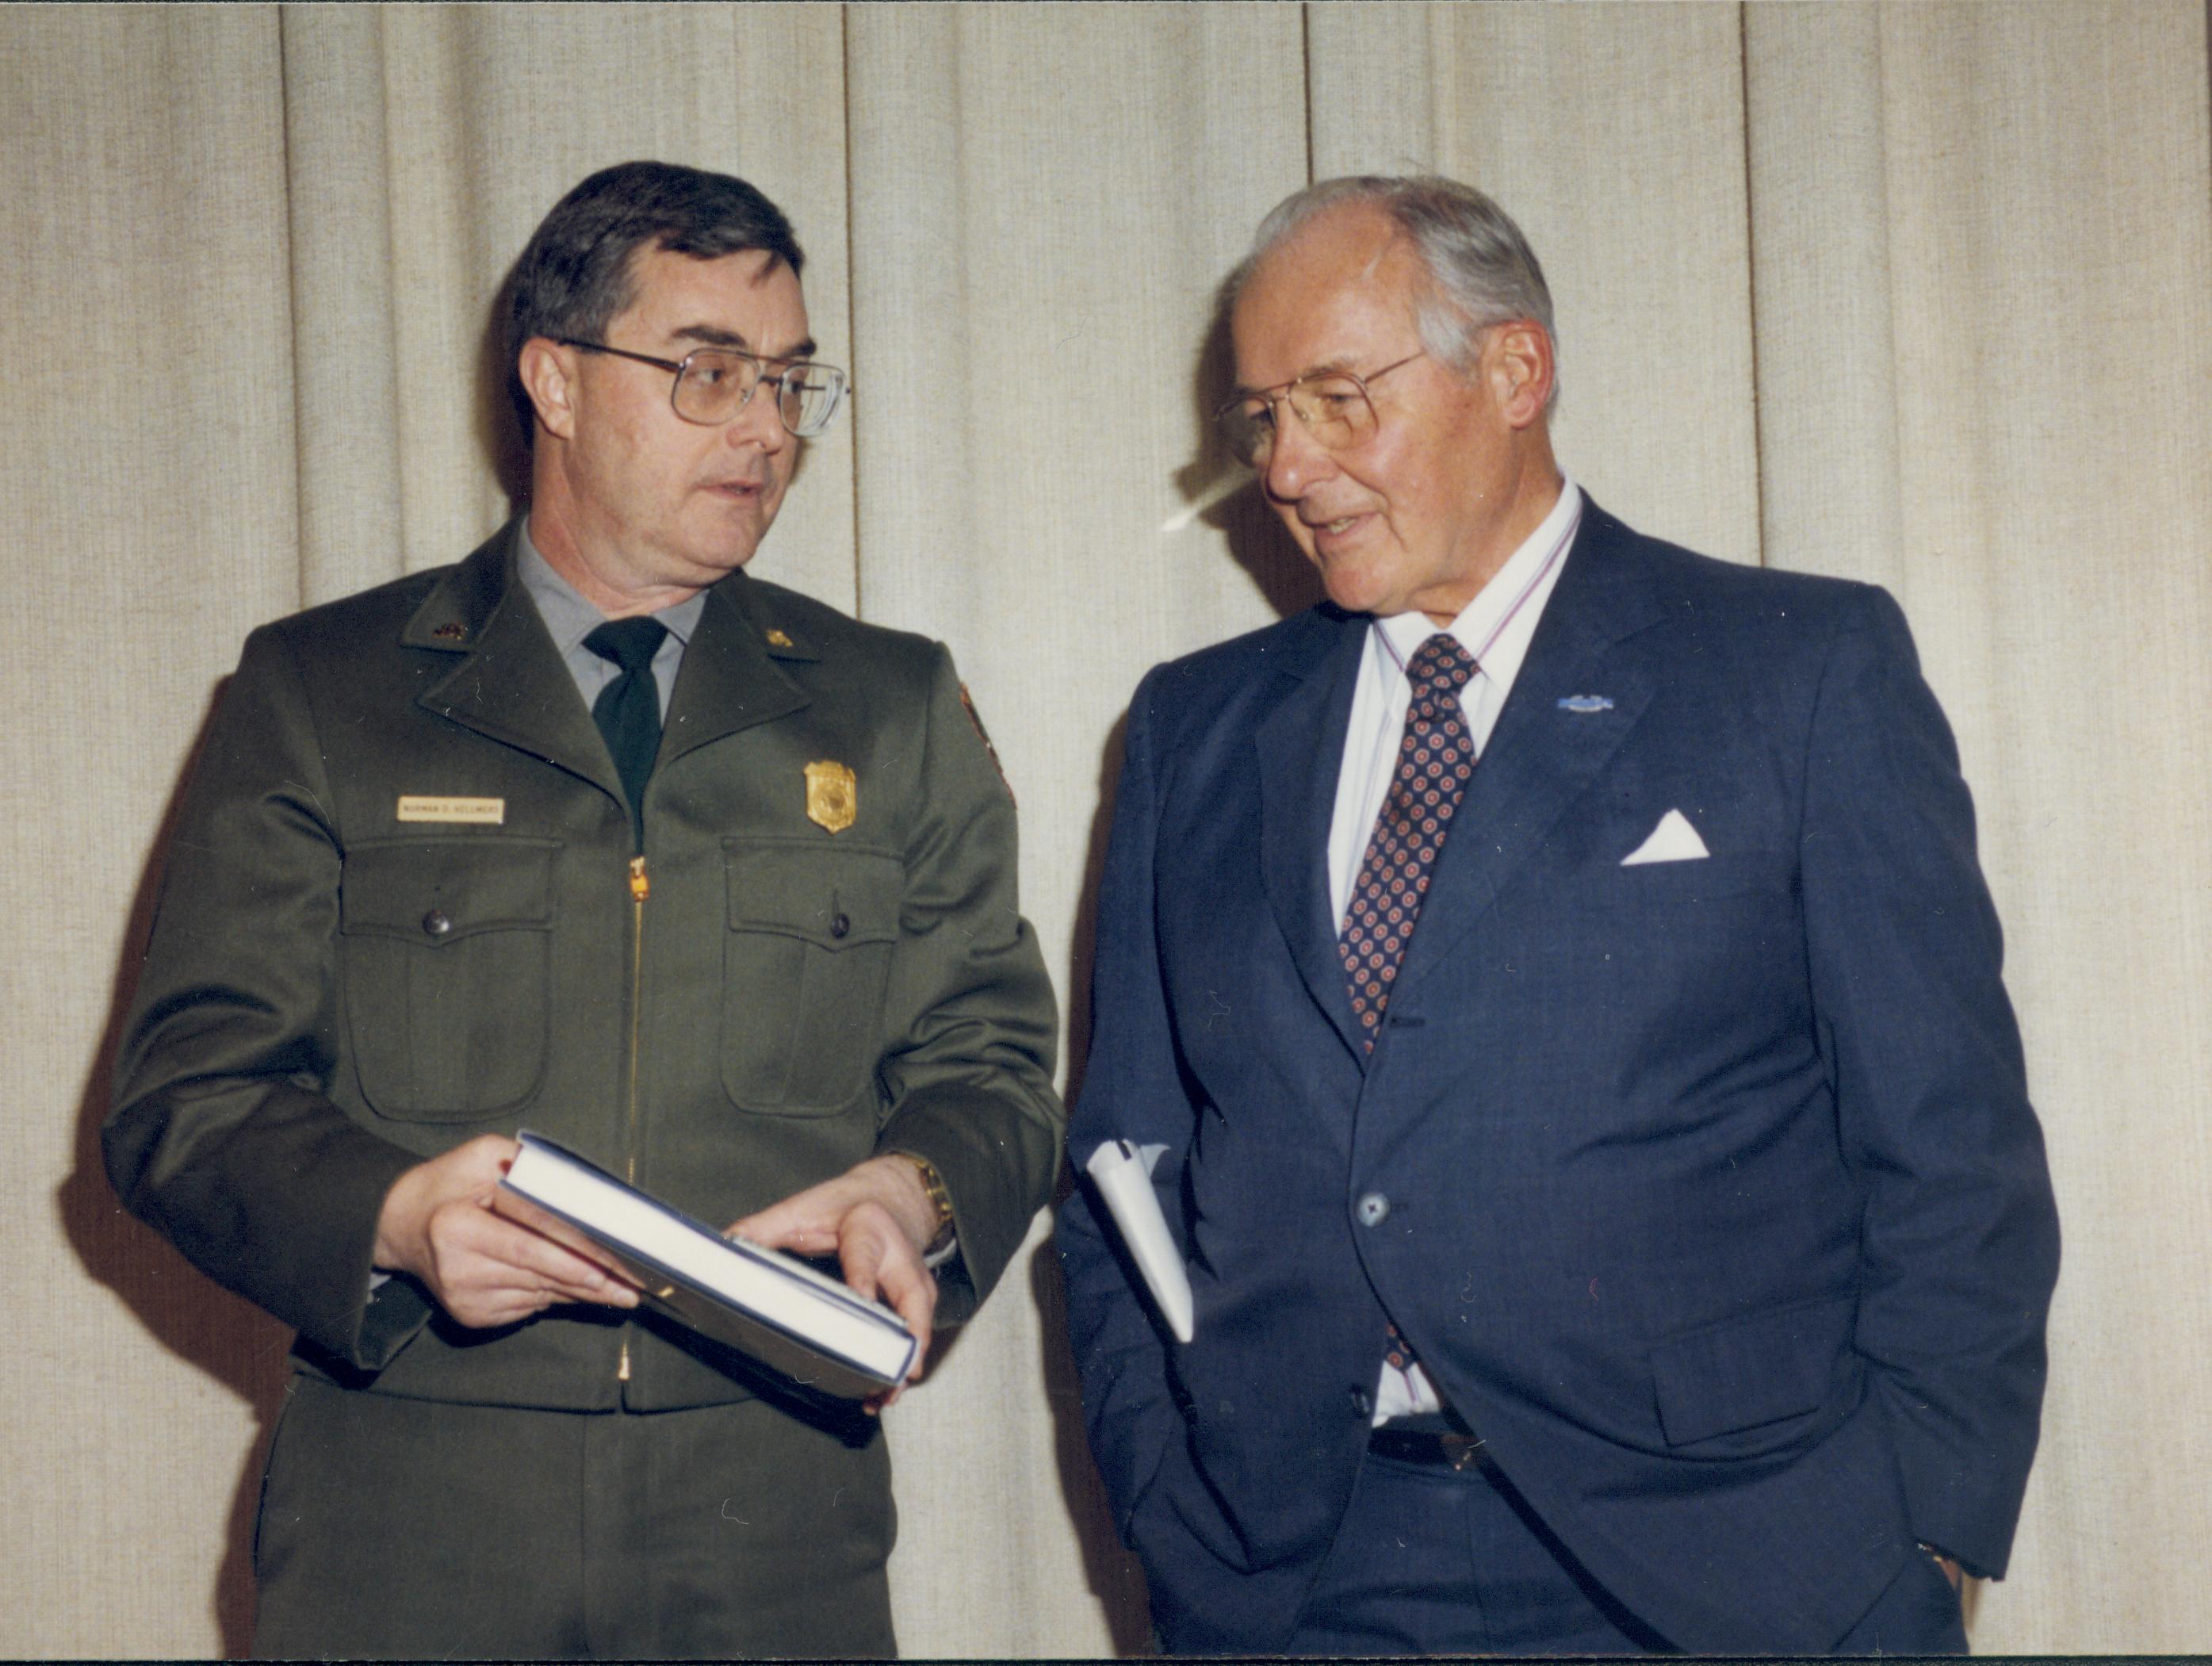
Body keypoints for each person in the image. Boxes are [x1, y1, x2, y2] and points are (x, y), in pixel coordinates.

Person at [1058, 174, 2058, 1656]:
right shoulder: (1194, 731)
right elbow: (1120, 1169)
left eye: (1338, 399)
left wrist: (1923, 1531)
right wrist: (1170, 1502)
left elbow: (1949, 1151)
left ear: (1513, 371)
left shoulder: (1797, 670)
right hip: (1300, 1574)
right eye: (1264, 416)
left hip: (1734, 1572)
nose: (1287, 466)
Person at [105, 160, 1062, 1659]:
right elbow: (185, 1096)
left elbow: (992, 1067)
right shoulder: (325, 694)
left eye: (790, 380)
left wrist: (914, 1192)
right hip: (412, 1505)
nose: (764, 427)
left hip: (767, 1510)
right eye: (708, 371)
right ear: (553, 379)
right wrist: (392, 1216)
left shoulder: (891, 709)